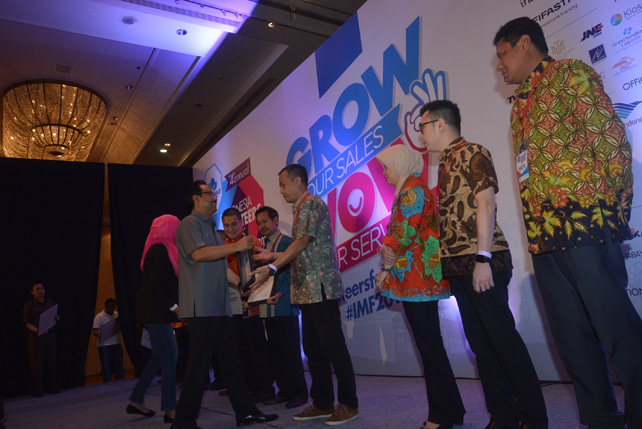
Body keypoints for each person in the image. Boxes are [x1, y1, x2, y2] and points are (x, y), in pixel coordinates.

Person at [494, 17, 642, 429]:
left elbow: (610, 141)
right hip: (543, 237)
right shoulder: (519, 106)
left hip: (585, 223)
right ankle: (600, 419)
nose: (500, 65)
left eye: (502, 55)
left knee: (617, 330)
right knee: (572, 341)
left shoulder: (570, 73)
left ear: (525, 44)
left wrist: (616, 211)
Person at [416, 100, 548, 429]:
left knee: (503, 342)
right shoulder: (445, 162)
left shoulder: (473, 152)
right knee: (482, 347)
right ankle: (502, 417)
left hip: (482, 262)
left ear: (440, 124)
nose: (420, 135)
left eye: (423, 127)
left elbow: (486, 203)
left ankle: (534, 418)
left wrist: (482, 258)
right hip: (458, 267)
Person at [251, 165, 359, 426]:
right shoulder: (300, 207)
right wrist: (273, 255)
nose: (281, 190)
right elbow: (306, 248)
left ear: (298, 181)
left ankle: (349, 404)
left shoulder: (311, 203)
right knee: (313, 348)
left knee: (333, 347)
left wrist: (272, 266)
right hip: (306, 291)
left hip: (320, 287)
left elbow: (300, 243)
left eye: (283, 184)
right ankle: (323, 403)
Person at [170, 180, 278, 429]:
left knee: (231, 362)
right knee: (199, 366)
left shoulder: (211, 227)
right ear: (197, 198)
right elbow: (199, 255)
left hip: (220, 307)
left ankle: (246, 412)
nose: (215, 197)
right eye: (210, 193)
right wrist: (238, 246)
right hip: (202, 307)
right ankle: (183, 422)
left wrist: (243, 284)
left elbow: (220, 265)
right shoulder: (189, 223)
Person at [374, 144, 465, 429]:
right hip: (415, 279)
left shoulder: (413, 190)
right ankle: (453, 411)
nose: (384, 172)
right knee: (431, 347)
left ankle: (441, 417)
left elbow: (403, 232)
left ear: (401, 164)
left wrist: (385, 263)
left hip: (418, 280)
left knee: (430, 348)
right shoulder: (408, 189)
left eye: (386, 166)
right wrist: (385, 249)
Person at [126, 215, 181, 422]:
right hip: (155, 310)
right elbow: (155, 286)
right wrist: (175, 307)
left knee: (159, 356)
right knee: (170, 354)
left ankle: (136, 400)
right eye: (176, 226)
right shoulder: (159, 251)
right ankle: (170, 409)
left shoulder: (162, 248)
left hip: (155, 309)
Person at [254, 206, 308, 409]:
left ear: (275, 220)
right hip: (268, 307)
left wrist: (281, 292)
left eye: (265, 221)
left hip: (285, 304)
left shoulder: (286, 242)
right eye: (259, 223)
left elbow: (292, 272)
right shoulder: (262, 246)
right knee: (276, 352)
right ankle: (284, 391)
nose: (262, 226)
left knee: (290, 351)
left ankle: (299, 393)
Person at [222, 207, 275, 403]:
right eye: (226, 225)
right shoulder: (225, 246)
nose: (230, 229)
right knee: (241, 349)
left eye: (234, 224)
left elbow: (262, 271)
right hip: (234, 305)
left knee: (257, 348)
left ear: (242, 223)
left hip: (253, 304)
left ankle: (266, 388)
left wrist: (251, 296)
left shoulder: (252, 242)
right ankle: (251, 386)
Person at [23, 283, 59, 397]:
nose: (40, 291)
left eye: (42, 288)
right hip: (36, 337)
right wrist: (37, 330)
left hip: (50, 336)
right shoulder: (30, 305)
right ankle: (37, 390)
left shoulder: (50, 302)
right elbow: (27, 323)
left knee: (51, 361)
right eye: (37, 289)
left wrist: (57, 318)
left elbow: (54, 316)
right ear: (32, 292)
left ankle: (52, 387)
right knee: (36, 364)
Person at [93, 298, 125, 383]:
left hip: (116, 344)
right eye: (109, 307)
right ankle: (108, 385)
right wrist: (98, 334)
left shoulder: (117, 315)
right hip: (105, 345)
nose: (110, 309)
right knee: (106, 368)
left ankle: (121, 383)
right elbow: (95, 330)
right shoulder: (99, 316)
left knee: (119, 366)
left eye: (112, 307)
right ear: (105, 307)